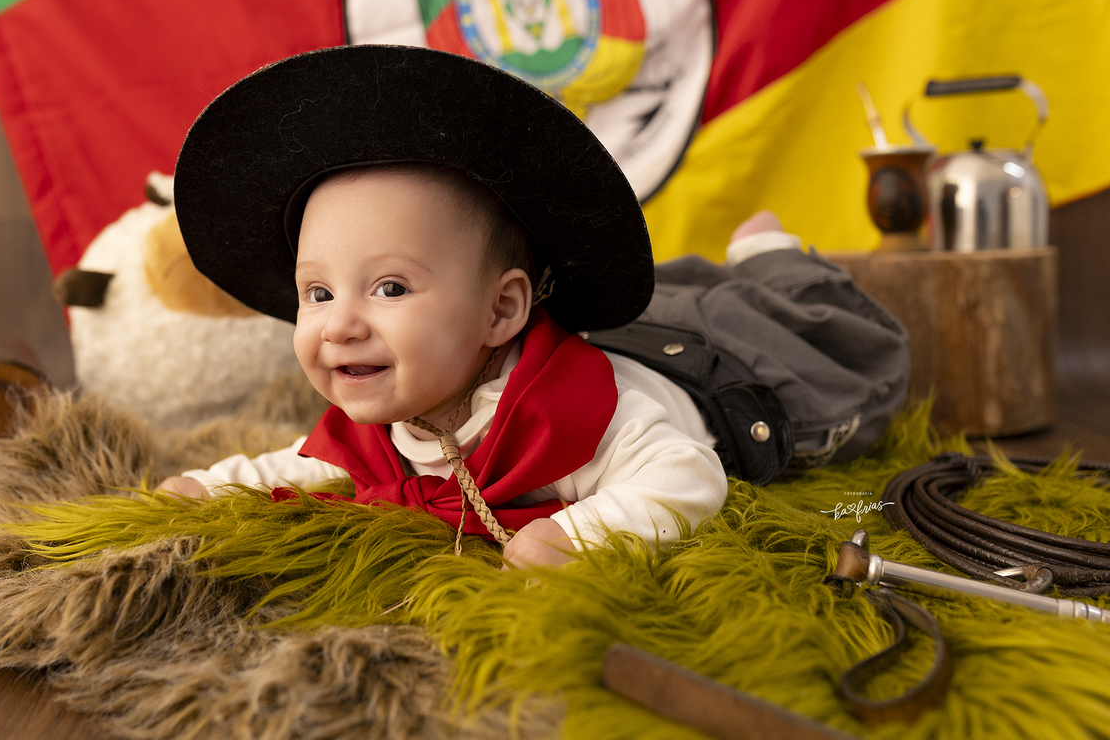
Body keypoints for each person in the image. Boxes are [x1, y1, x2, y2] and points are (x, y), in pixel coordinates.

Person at [159, 45, 909, 570]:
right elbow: (310, 466)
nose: (341, 323)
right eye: (318, 293)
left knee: (801, 326)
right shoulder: (401, 401)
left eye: (390, 288)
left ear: (500, 311)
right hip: (622, 325)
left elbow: (686, 473)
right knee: (685, 289)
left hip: (713, 364)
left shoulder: (585, 416)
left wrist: (577, 537)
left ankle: (770, 253)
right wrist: (214, 486)